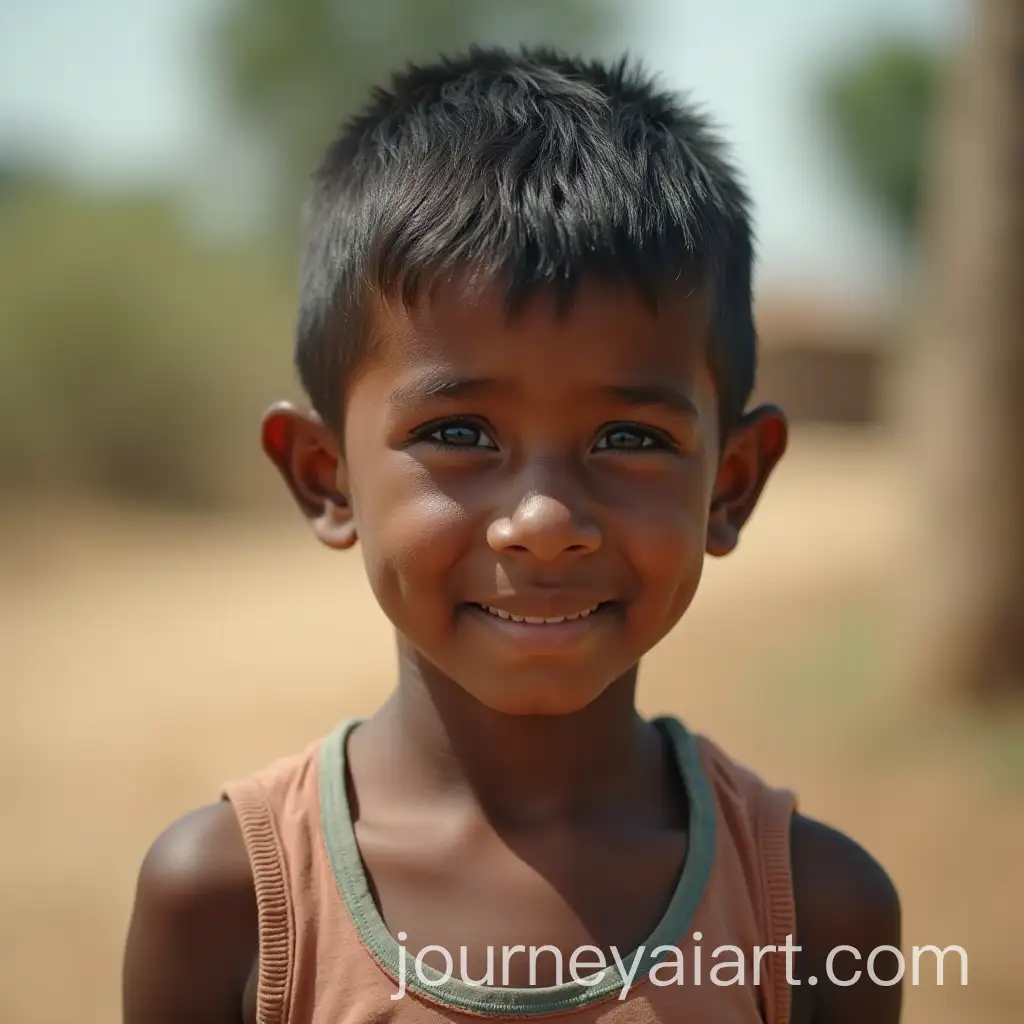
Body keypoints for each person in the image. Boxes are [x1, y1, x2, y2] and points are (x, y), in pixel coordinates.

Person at [122, 46, 902, 1024]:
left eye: (630, 438)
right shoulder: (231, 903)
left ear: (730, 484)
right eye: (458, 434)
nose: (543, 523)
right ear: (326, 476)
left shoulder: (815, 914)